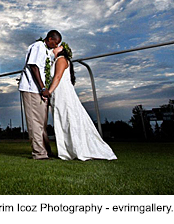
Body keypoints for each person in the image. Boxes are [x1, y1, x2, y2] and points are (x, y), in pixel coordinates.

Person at [47, 43, 117, 161]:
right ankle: (68, 151)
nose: (54, 48)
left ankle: (79, 149)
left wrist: (48, 92)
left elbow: (57, 77)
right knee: (62, 119)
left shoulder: (61, 59)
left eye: (58, 46)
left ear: (62, 50)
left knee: (69, 118)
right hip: (57, 94)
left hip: (63, 93)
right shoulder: (55, 61)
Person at [18, 30, 62, 160]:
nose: (56, 45)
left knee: (42, 123)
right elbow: (34, 66)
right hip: (32, 89)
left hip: (40, 91)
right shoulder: (38, 46)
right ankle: (39, 153)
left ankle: (46, 151)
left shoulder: (48, 51)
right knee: (35, 123)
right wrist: (42, 87)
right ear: (49, 39)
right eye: (55, 42)